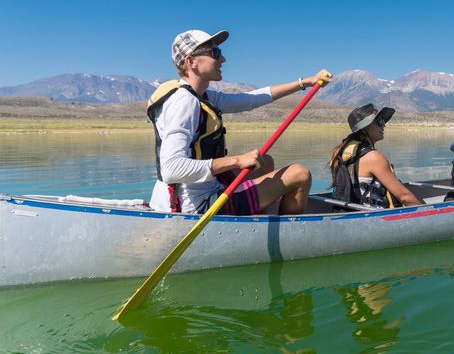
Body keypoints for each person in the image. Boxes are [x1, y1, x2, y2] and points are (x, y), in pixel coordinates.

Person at [147, 28, 332, 215]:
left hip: (192, 192)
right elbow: (171, 169)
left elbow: (252, 99)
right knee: (300, 174)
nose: (222, 59)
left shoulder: (201, 96)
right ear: (191, 61)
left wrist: (304, 83)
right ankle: (291, 235)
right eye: (215, 53)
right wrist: (236, 161)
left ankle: (258, 212)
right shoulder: (185, 102)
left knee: (264, 162)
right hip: (196, 205)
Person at [328, 104, 423, 208]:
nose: (384, 125)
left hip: (353, 212)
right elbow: (405, 197)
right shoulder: (374, 157)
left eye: (383, 121)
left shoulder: (343, 152)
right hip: (371, 217)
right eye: (379, 122)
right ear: (364, 128)